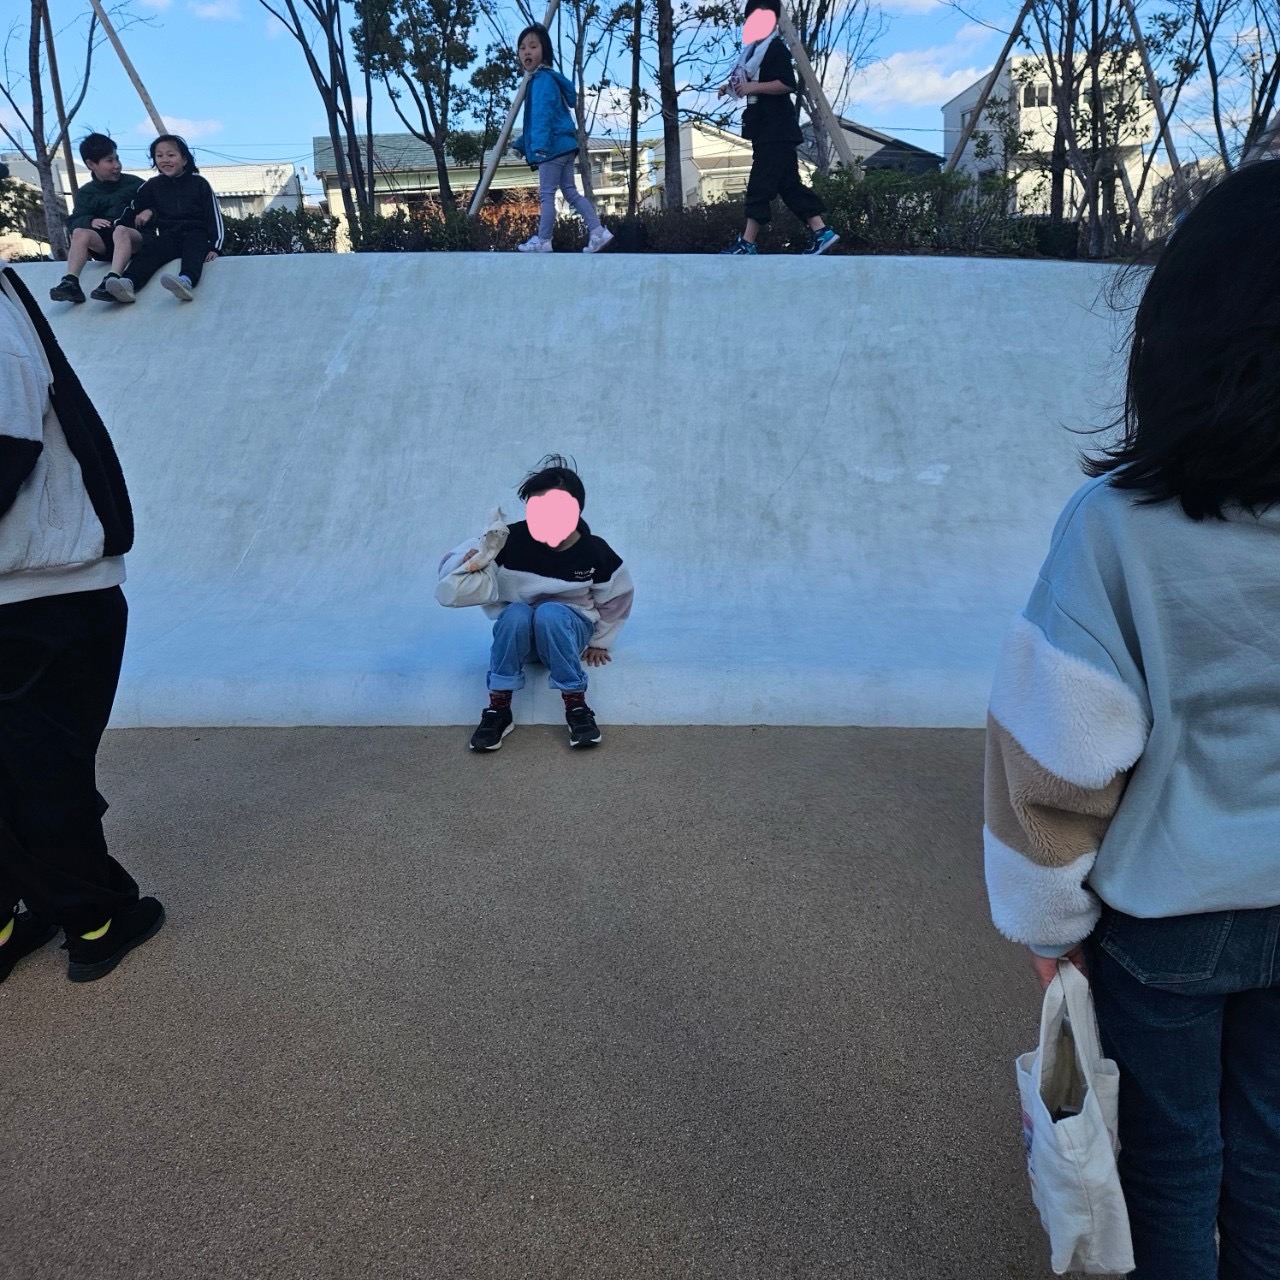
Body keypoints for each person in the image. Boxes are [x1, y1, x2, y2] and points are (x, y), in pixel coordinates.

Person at [983, 158, 1280, 1280]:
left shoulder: (1115, 527)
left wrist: (1047, 927)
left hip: (1168, 913)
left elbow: (1052, 756)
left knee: (1162, 1158)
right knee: (1266, 1154)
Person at [0, 267, 164, 985]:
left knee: (35, 767)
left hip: (43, 589)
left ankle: (76, 914)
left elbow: (8, 442)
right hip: (37, 588)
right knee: (35, 768)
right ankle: (66, 915)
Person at [437, 455, 634, 751]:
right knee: (515, 613)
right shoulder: (507, 539)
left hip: (567, 633)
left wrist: (601, 641)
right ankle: (499, 709)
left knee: (550, 612)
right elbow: (450, 562)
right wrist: (465, 562)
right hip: (520, 639)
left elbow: (618, 595)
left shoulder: (594, 551)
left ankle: (576, 706)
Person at [717, 0, 838, 256]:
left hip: (776, 130)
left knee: (760, 184)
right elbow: (744, 81)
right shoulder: (752, 53)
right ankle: (821, 232)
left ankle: (747, 242)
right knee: (789, 185)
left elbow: (786, 84)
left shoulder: (776, 49)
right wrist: (728, 88)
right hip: (764, 129)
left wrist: (753, 88)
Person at [509, 25, 613, 255]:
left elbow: (542, 116)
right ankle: (597, 231)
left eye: (533, 47)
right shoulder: (546, 79)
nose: (526, 52)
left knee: (547, 194)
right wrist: (521, 144)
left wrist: (540, 147)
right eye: (522, 48)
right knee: (570, 192)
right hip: (565, 145)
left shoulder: (541, 81)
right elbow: (542, 119)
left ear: (544, 51)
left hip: (552, 147)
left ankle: (544, 240)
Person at [100, 134, 224, 304]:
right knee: (150, 253)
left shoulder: (199, 183)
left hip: (196, 233)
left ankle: (186, 281)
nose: (165, 160)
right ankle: (129, 282)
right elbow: (133, 209)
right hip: (169, 235)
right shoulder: (152, 186)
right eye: (159, 156)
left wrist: (216, 247)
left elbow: (214, 216)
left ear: (185, 159)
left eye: (171, 155)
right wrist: (117, 226)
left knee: (194, 247)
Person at [48, 133, 145, 305]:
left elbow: (158, 206)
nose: (117, 165)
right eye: (109, 161)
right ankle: (71, 282)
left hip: (136, 239)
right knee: (79, 232)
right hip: (107, 243)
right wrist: (89, 221)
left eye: (117, 159)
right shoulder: (86, 192)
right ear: (91, 164)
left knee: (121, 230)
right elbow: (73, 221)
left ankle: (112, 279)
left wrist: (148, 213)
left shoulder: (136, 184)